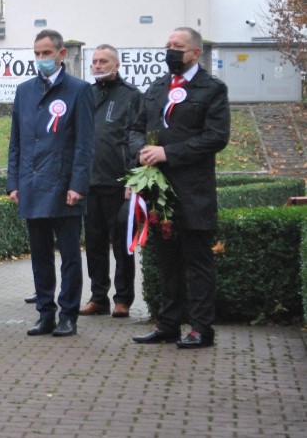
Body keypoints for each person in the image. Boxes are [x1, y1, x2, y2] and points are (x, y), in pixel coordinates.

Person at [131, 27, 230, 349]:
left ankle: (202, 328)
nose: (171, 51)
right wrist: (142, 151)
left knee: (197, 263)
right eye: (168, 45)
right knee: (167, 262)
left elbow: (216, 137)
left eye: (178, 46)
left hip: (194, 192)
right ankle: (168, 324)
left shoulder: (212, 89)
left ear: (196, 53)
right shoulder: (157, 88)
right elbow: (135, 128)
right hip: (159, 194)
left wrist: (168, 153)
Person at [7, 29, 94, 338]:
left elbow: (85, 143)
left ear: (61, 55)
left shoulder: (79, 91)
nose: (41, 59)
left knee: (70, 255)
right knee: (40, 254)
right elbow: (16, 140)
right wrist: (13, 181)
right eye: (37, 53)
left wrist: (78, 184)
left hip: (64, 186)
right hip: (32, 184)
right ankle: (46, 313)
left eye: (46, 53)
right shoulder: (24, 90)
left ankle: (68, 314)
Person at [80, 44, 142, 319]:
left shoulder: (131, 97)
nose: (97, 65)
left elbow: (135, 138)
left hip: (119, 184)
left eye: (103, 61)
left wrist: (133, 176)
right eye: (94, 61)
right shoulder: (86, 94)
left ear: (116, 65)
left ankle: (123, 299)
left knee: (121, 244)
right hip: (89, 182)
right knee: (94, 244)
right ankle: (98, 297)